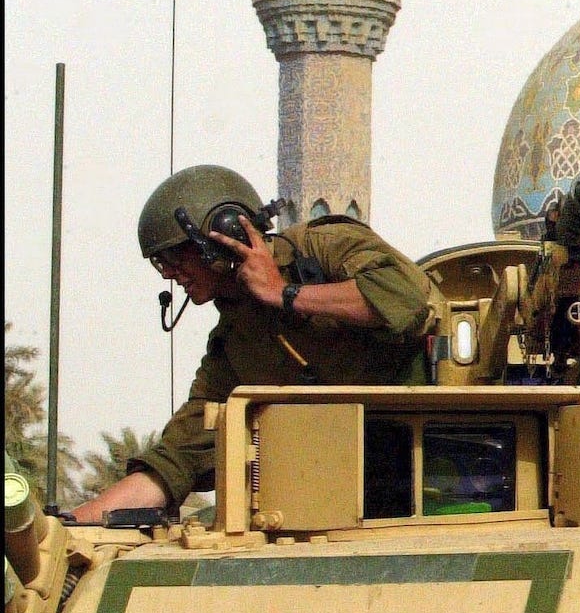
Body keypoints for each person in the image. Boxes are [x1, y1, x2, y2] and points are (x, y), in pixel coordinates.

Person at [69, 166, 438, 524]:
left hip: (431, 468)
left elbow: (405, 299)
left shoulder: (321, 247)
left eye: (173, 256)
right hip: (333, 496)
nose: (167, 273)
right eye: (158, 262)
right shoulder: (234, 344)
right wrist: (74, 523)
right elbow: (177, 458)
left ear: (226, 233)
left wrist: (283, 293)